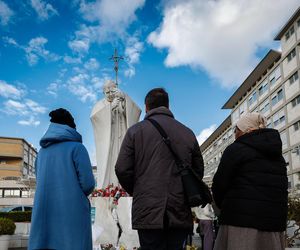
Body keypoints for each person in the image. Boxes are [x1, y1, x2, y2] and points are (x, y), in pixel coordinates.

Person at [115, 88, 204, 250]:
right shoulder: (187, 132)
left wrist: (138, 190)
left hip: (148, 209)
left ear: (146, 107)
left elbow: (122, 168)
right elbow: (197, 171)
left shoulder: (135, 131)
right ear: (168, 106)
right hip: (179, 208)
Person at [212, 112, 288, 250]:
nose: (235, 133)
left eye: (236, 130)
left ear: (245, 131)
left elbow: (219, 185)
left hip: (240, 223)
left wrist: (222, 207)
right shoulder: (278, 157)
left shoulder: (235, 149)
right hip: (273, 224)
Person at [29, 108, 95, 250]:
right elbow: (88, 184)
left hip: (44, 213)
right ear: (71, 127)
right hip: (72, 214)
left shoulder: (42, 153)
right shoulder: (77, 148)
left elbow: (40, 180)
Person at [91, 80, 141, 188]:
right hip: (108, 142)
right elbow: (95, 118)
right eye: (107, 92)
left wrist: (124, 100)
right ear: (103, 92)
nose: (110, 94)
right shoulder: (100, 105)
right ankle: (108, 188)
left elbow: (135, 112)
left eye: (112, 91)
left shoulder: (121, 100)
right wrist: (110, 108)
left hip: (122, 138)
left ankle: (123, 187)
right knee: (110, 162)